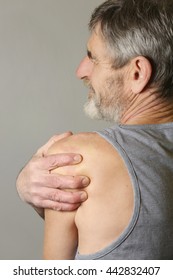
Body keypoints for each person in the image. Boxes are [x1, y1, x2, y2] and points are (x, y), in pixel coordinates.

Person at [18, 0, 173, 259]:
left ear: (137, 74)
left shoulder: (77, 158)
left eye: (93, 58)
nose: (81, 71)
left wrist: (25, 181)